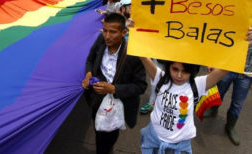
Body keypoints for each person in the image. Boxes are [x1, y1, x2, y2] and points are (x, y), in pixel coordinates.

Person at [82, 13, 147, 154]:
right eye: (105, 30)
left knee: (109, 136)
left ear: (124, 32)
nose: (107, 36)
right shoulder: (100, 40)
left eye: (112, 32)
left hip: (118, 106)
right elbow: (90, 60)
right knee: (98, 130)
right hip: (97, 101)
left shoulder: (133, 55)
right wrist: (88, 74)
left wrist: (113, 89)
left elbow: (140, 86)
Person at [139, 56, 229, 153]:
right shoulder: (160, 77)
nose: (179, 75)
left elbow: (226, 69)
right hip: (153, 139)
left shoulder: (198, 84)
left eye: (185, 71)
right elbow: (143, 57)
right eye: (175, 69)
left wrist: (243, 43)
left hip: (179, 146)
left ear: (192, 71)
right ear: (169, 66)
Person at [204, 43, 252, 145]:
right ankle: (213, 110)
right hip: (227, 66)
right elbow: (221, 36)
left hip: (247, 73)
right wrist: (213, 61)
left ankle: (230, 127)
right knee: (218, 92)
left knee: (237, 103)